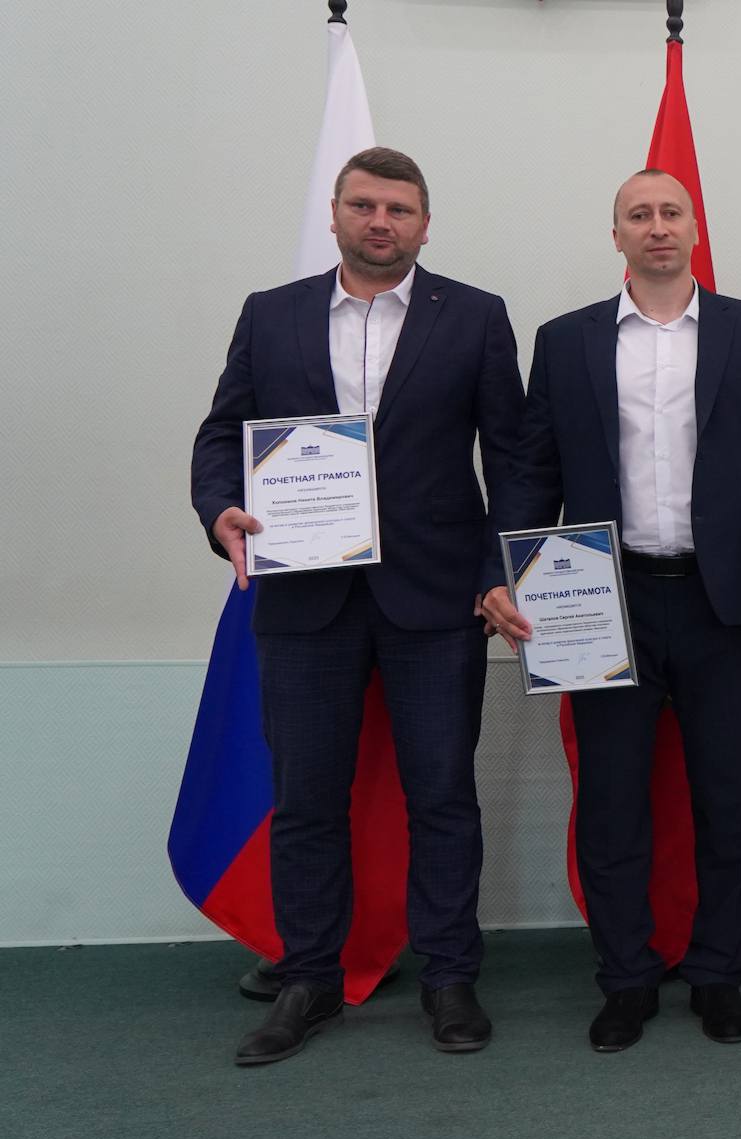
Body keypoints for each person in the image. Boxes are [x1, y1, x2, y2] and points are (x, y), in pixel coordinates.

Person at [190, 147, 525, 1065]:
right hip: (304, 598)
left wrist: (499, 568)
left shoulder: (476, 316)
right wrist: (221, 509)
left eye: (400, 209)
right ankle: (309, 978)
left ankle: (450, 976)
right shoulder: (271, 315)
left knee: (443, 796)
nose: (382, 222)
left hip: (437, 598)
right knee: (305, 799)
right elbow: (222, 435)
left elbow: (513, 455)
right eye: (366, 205)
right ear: (335, 213)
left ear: (425, 224)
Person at [479, 170, 741, 1050]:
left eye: (670, 212)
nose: (656, 226)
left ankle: (718, 973)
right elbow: (530, 471)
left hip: (724, 606)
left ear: (695, 228)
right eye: (639, 215)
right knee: (612, 802)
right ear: (616, 235)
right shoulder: (567, 341)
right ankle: (625, 978)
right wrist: (502, 571)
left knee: (727, 800)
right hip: (601, 604)